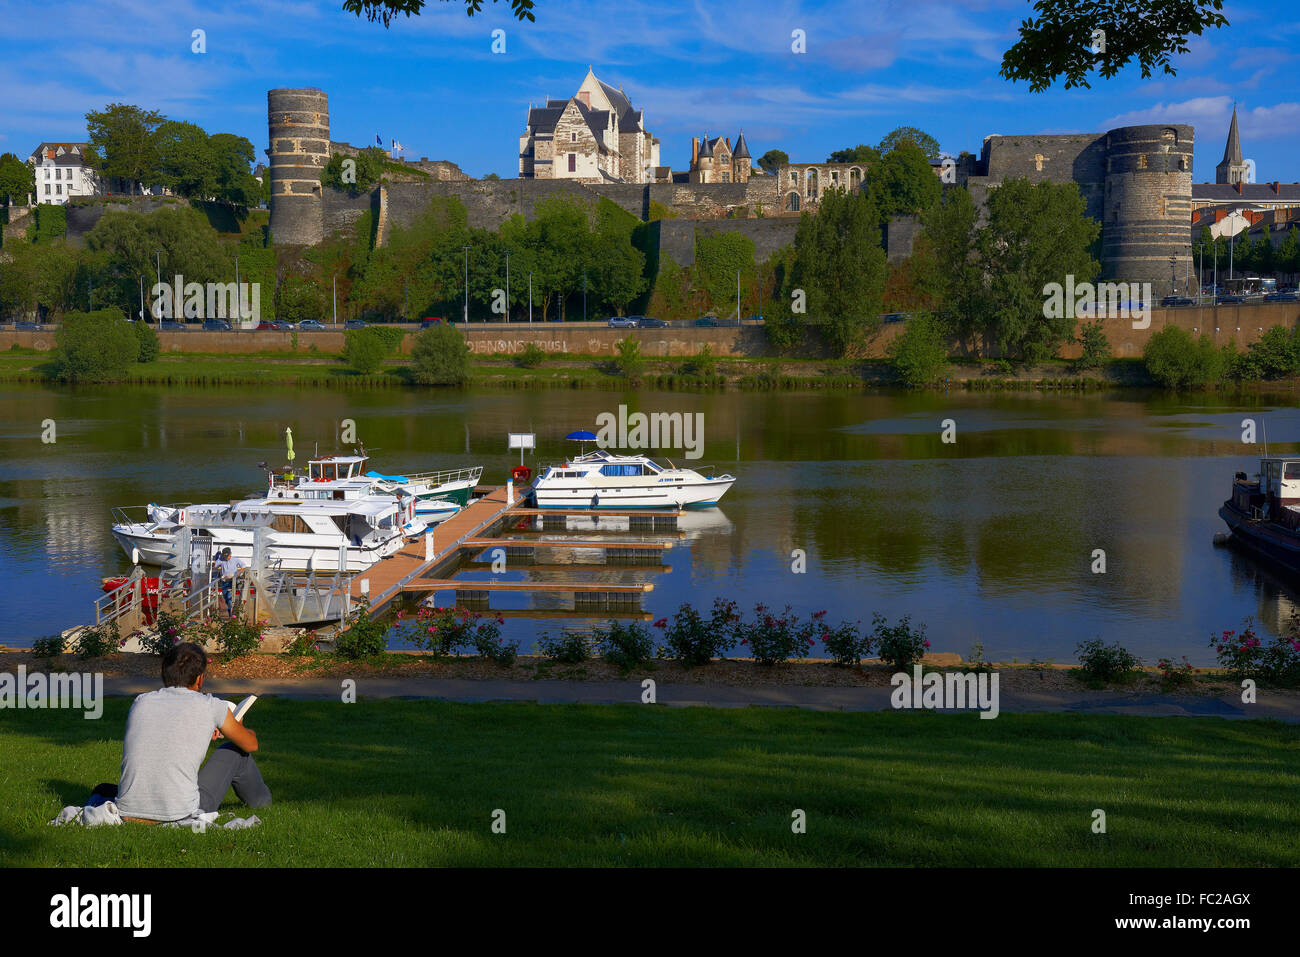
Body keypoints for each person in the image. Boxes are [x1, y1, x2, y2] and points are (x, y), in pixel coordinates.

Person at [114, 642, 271, 823]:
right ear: (199, 679)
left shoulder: (141, 702)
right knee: (236, 752)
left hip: (128, 811)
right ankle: (263, 806)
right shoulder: (211, 706)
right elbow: (251, 744)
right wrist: (240, 726)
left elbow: (167, 730)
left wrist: (204, 730)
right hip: (180, 812)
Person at [213, 547, 246, 616]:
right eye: (225, 556)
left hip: (232, 581)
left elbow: (243, 566)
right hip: (224, 581)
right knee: (226, 598)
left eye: (227, 556)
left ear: (230, 554)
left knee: (229, 597)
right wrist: (214, 562)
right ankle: (231, 613)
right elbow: (215, 565)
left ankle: (232, 614)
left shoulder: (235, 559)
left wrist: (239, 573)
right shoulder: (221, 559)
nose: (226, 558)